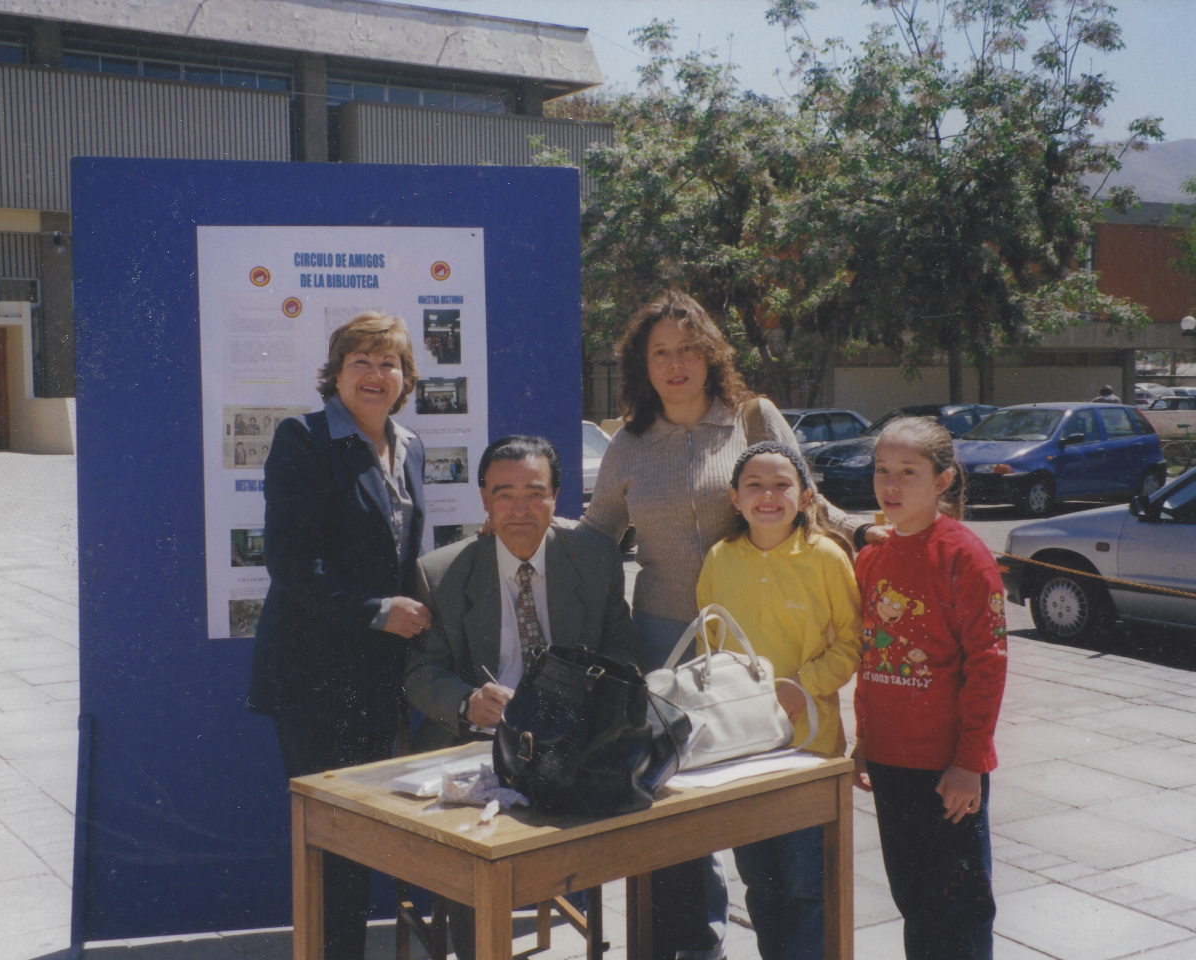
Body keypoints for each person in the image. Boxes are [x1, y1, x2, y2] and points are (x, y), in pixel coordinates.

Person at [581, 290, 886, 960]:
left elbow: (805, 497)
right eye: (660, 351)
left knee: (763, 805)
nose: (676, 363)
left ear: (710, 353)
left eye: (688, 348)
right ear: (643, 363)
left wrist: (865, 533)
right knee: (688, 815)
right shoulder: (628, 446)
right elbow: (596, 535)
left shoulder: (752, 417)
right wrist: (527, 541)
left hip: (762, 643)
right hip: (668, 643)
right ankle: (702, 946)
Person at [405, 435, 639, 960]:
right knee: (473, 860)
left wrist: (581, 706)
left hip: (571, 742)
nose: (519, 510)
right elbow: (421, 673)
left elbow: (624, 657)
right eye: (503, 494)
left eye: (535, 493)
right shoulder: (442, 572)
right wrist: (468, 700)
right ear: (483, 500)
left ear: (557, 496)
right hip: (474, 741)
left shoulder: (595, 558)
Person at [246, 311, 430, 960]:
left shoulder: (410, 447)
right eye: (362, 360)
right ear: (336, 372)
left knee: (366, 836)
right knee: (333, 843)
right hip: (313, 676)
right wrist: (379, 611)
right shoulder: (303, 439)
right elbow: (292, 565)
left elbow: (404, 555)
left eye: (390, 363)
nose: (376, 374)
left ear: (406, 380)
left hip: (380, 677)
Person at [694, 441, 862, 960]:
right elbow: (708, 646)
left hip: (808, 750)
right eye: (755, 485)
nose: (769, 495)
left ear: (806, 496)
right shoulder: (721, 558)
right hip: (743, 754)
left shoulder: (827, 557)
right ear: (735, 498)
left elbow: (853, 641)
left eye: (782, 484)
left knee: (808, 885)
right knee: (761, 884)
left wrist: (803, 684)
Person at [850, 417, 1008, 960]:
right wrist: (864, 739)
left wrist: (969, 762)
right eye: (882, 471)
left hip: (948, 769)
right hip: (892, 764)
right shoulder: (871, 557)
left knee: (960, 907)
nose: (890, 486)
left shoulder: (964, 556)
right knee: (914, 900)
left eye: (908, 473)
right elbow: (870, 655)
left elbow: (987, 666)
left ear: (941, 482)